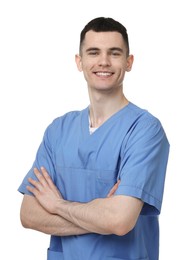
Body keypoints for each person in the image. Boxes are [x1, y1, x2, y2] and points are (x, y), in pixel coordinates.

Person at [18, 17, 170, 260]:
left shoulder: (145, 130)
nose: (103, 61)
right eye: (93, 52)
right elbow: (28, 214)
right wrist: (101, 215)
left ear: (129, 62)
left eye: (115, 53)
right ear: (79, 62)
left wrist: (58, 206)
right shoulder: (58, 131)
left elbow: (120, 221)